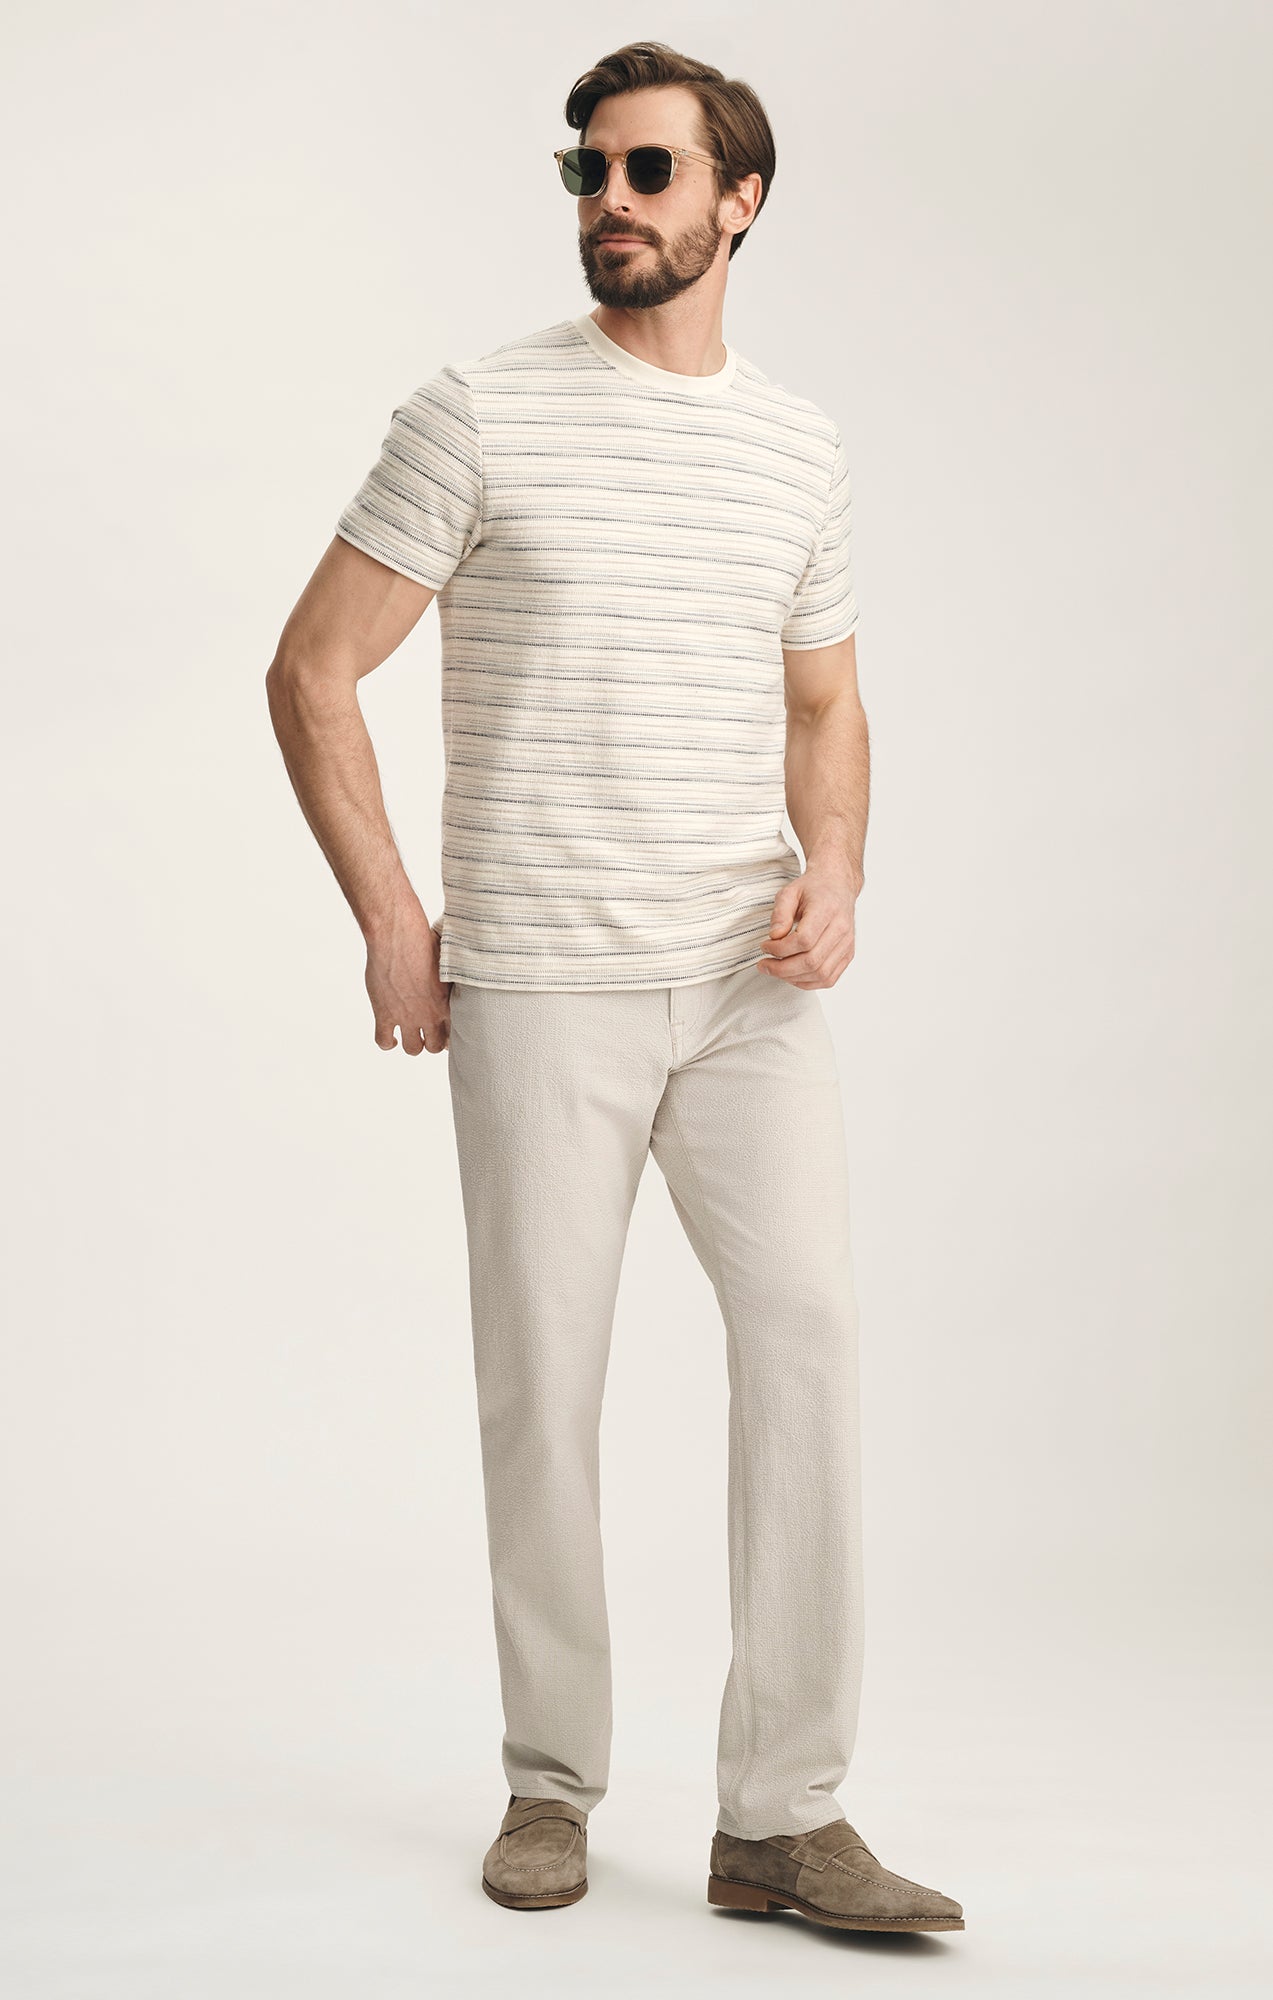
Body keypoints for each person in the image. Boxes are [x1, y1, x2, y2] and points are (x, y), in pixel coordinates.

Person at [266, 38, 964, 1937]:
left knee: (807, 1346)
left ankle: (782, 1817)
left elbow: (825, 701)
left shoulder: (797, 445)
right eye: (588, 169)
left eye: (650, 171)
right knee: (544, 1391)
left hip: (744, 988)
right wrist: (392, 917)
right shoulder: (477, 412)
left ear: (741, 200)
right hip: (542, 979)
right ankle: (549, 1783)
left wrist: (838, 871)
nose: (611, 202)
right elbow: (313, 668)